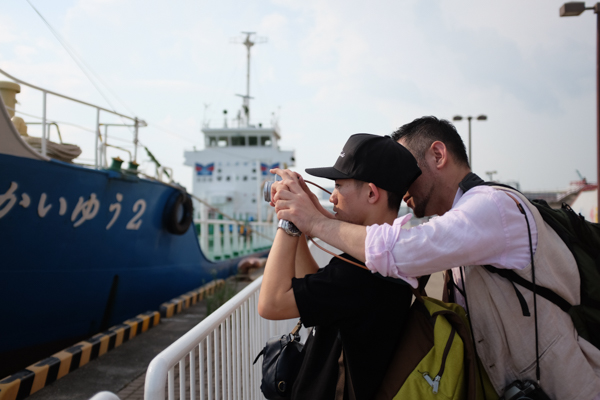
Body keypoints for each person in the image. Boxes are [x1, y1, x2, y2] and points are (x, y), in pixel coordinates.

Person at [271, 117, 600, 400]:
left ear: (438, 155)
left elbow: (400, 249)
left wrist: (313, 221)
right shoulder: (459, 227)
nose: (401, 185)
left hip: (568, 387)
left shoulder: (491, 206)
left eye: (408, 171)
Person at [258, 133, 421, 400]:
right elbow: (313, 284)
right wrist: (298, 214)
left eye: (338, 186)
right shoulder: (384, 262)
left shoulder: (363, 273)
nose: (332, 198)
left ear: (371, 192)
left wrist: (287, 223)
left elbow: (271, 303)